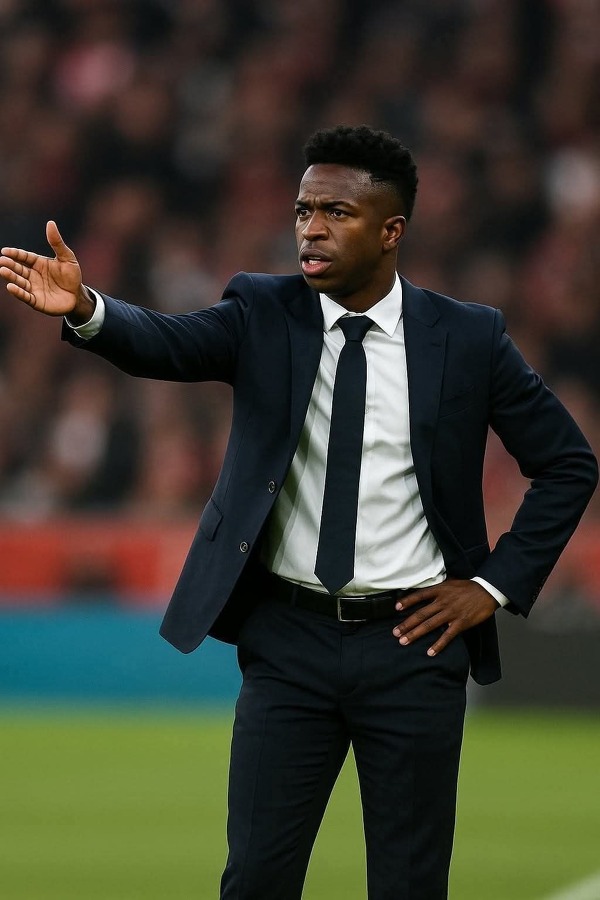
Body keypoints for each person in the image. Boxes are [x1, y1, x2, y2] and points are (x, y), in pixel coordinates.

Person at [1, 125, 597, 899]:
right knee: (256, 878)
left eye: (336, 213)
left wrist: (490, 586)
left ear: (391, 231)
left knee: (410, 885)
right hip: (289, 642)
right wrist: (88, 309)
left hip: (413, 644)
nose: (311, 228)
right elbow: (169, 344)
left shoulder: (468, 337)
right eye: (304, 210)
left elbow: (568, 464)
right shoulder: (263, 309)